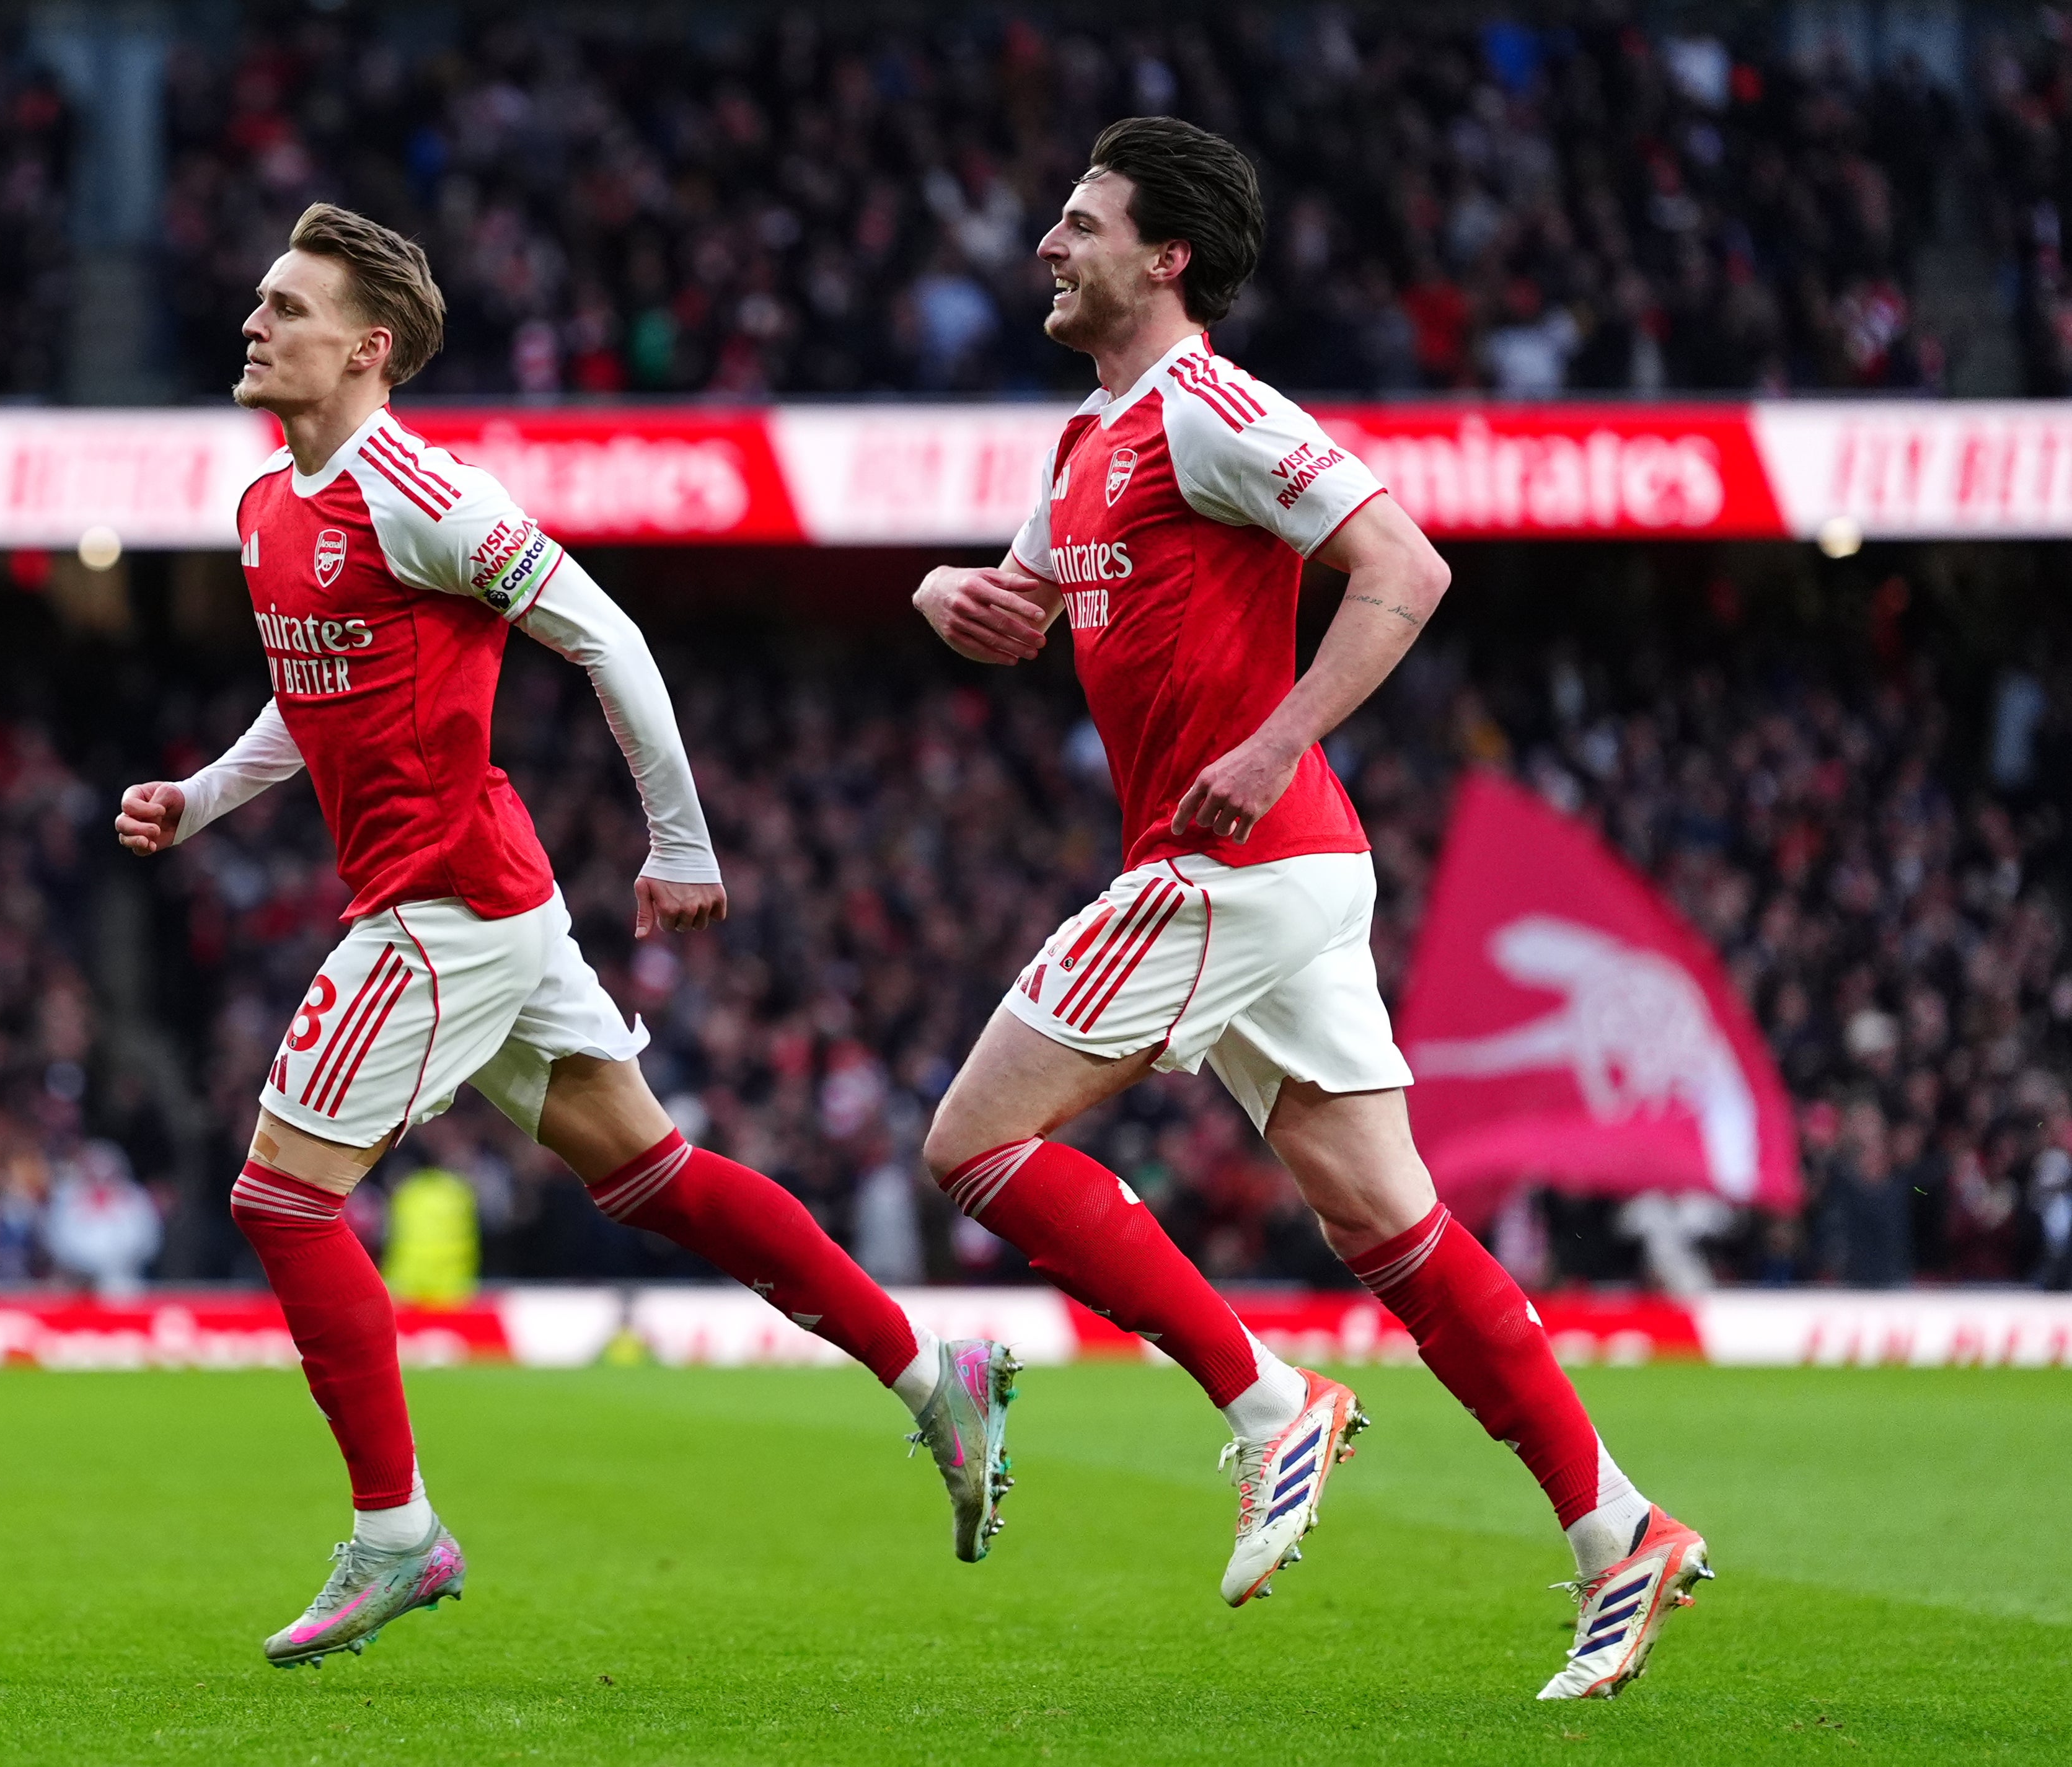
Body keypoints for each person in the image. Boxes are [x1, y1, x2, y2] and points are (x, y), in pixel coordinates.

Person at [115, 203, 1016, 1670]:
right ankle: (936, 1377)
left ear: (369, 347)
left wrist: (679, 840)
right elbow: (314, 689)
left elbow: (609, 634)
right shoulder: (270, 504)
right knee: (654, 1176)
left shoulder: (425, 492)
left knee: (281, 1202)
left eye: (287, 306)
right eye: (259, 299)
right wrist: (204, 798)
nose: (253, 322)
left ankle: (399, 1536)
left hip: (446, 902)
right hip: (487, 899)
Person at [907, 117, 1710, 1702]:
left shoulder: (1209, 410)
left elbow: (1404, 567)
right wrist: (949, 602)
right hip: (1279, 869)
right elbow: (1019, 621)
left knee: (975, 1143)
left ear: (1166, 256)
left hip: (1235, 859)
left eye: (1082, 223)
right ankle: (1617, 1527)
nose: (1048, 247)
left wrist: (1272, 737)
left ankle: (1270, 1402)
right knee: (1388, 1228)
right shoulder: (1084, 443)